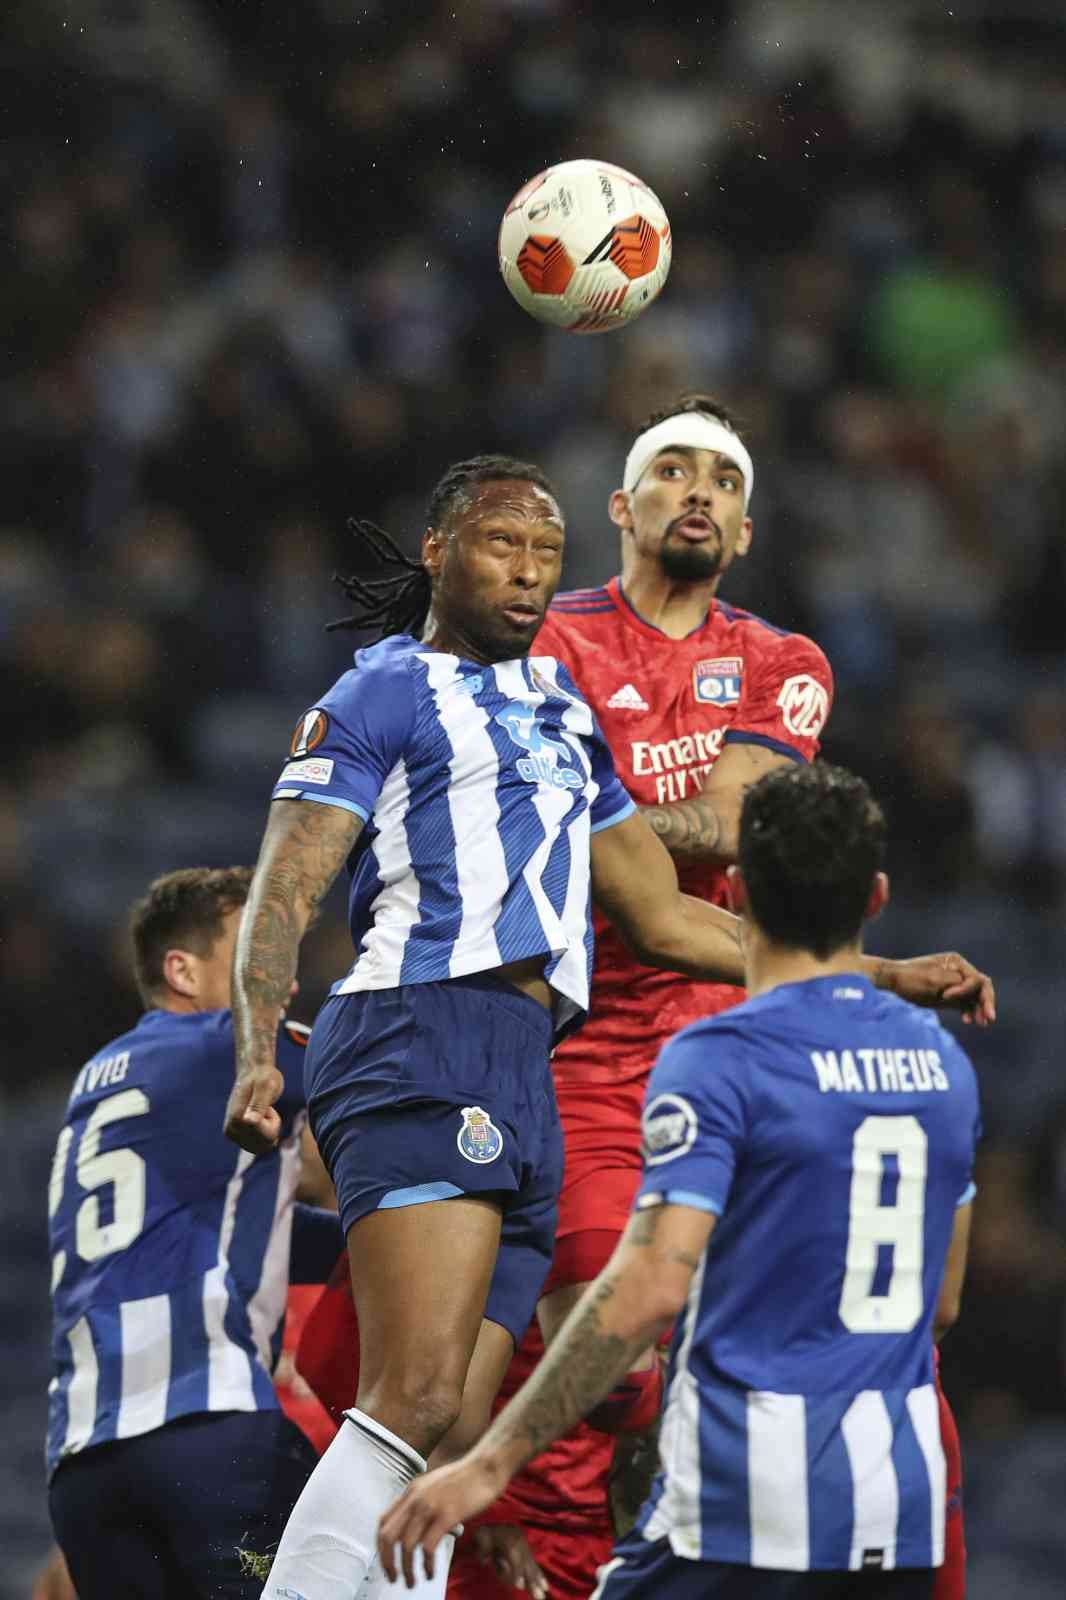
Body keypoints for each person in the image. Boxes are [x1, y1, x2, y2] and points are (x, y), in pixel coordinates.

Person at [238, 450, 990, 1600]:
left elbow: (663, 914)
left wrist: (876, 974)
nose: (527, 573)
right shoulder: (379, 691)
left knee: (451, 1432)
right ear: (437, 552)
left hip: (526, 1063)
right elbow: (284, 885)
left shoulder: (560, 717)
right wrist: (255, 1049)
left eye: (545, 554)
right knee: (416, 1397)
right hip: (419, 1023)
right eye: (501, 544)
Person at [530, 394, 976, 1600]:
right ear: (620, 507)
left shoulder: (784, 662)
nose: (698, 492)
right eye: (671, 471)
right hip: (580, 1049)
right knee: (605, 1358)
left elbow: (733, 821)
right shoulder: (549, 642)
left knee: (871, 1352)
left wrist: (598, 818)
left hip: (742, 1043)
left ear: (743, 530)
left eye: (722, 481)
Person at [378, 761, 982, 1600]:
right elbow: (941, 1304)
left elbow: (649, 1288)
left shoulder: (720, 1057)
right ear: (875, 898)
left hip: (746, 1497)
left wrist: (491, 1463)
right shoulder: (940, 1063)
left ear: (736, 890)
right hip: (896, 1500)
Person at [46, 867, 329, 1599]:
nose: (283, 975)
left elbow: (215, 1227)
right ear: (183, 971)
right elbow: (384, 1060)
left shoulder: (97, 1081)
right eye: (256, 949)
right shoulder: (227, 1044)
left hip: (84, 1466)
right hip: (208, 1431)